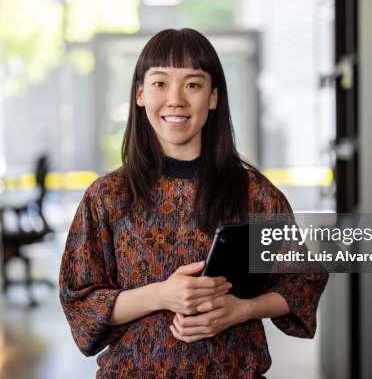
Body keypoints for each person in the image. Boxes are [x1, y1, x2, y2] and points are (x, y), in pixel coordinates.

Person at [59, 28, 328, 378]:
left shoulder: (255, 194)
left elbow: (302, 280)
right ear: (140, 94)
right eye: (160, 84)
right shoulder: (107, 196)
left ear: (213, 98)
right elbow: (80, 299)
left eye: (192, 85)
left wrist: (242, 310)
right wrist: (162, 295)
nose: (176, 100)